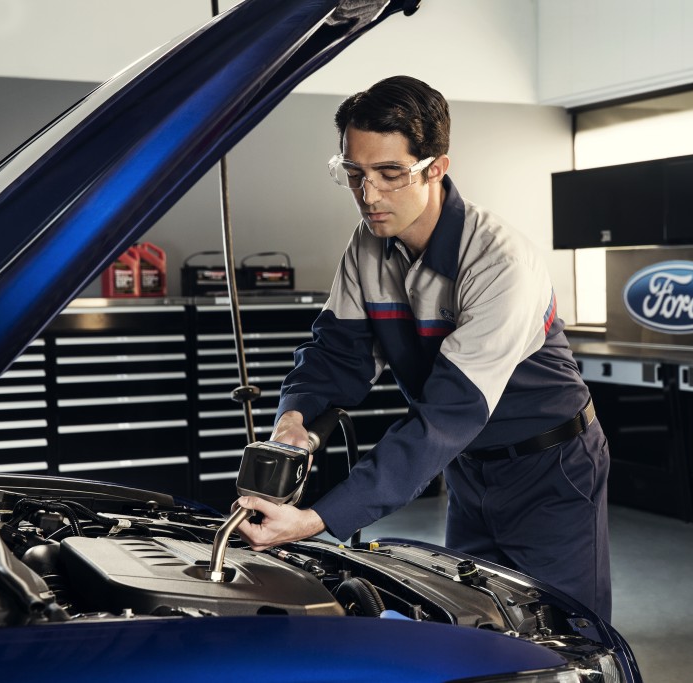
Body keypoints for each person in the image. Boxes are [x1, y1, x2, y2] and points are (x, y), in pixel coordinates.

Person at [233, 75, 612, 620]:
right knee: (473, 622)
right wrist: (293, 421)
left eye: (390, 174)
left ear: (436, 168)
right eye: (355, 175)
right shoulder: (367, 246)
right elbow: (336, 355)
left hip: (551, 469)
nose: (369, 196)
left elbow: (446, 414)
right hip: (468, 466)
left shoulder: (499, 261)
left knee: (570, 630)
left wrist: (319, 518)